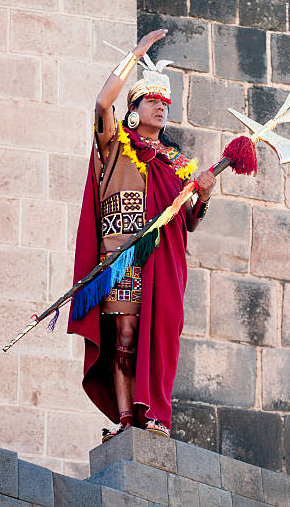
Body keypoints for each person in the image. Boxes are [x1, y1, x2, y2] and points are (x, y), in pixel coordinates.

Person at [67, 29, 216, 441]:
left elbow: (190, 221)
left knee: (162, 336)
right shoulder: (115, 144)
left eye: (166, 104)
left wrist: (203, 195)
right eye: (153, 100)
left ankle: (155, 416)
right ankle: (127, 421)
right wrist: (137, 54)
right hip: (122, 255)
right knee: (125, 338)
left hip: (164, 260)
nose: (161, 108)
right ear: (134, 108)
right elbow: (101, 102)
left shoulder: (177, 163)